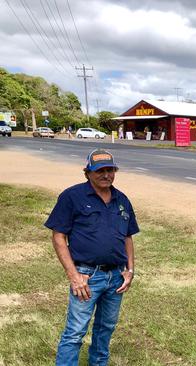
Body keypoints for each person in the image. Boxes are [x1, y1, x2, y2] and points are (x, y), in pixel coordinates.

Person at [44, 148, 138, 366]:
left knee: (106, 328)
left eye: (110, 170)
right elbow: (58, 236)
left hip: (116, 277)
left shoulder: (122, 199)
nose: (106, 175)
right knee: (75, 332)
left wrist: (130, 270)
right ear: (87, 172)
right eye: (99, 171)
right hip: (86, 277)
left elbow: (128, 237)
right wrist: (74, 275)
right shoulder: (72, 197)